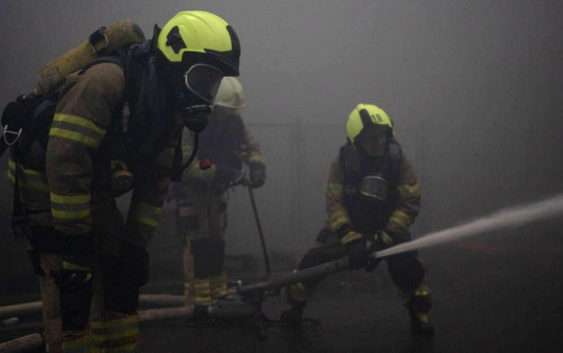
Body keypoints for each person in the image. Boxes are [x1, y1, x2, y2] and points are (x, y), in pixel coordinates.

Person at [6, 10, 240, 352]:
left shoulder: (170, 107)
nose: (206, 92)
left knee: (119, 274)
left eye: (213, 83)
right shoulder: (106, 81)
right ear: (175, 58)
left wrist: (135, 244)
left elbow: (155, 184)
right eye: (203, 77)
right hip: (45, 182)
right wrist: (73, 245)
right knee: (70, 288)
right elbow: (65, 160)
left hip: (91, 182)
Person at [282, 103, 434, 335]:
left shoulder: (397, 161)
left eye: (382, 136)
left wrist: (387, 236)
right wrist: (351, 239)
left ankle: (420, 315)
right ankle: (295, 308)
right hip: (350, 227)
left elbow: (410, 201)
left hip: (389, 228)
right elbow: (335, 204)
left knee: (409, 269)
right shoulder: (343, 163)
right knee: (312, 263)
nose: (379, 142)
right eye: (372, 137)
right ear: (357, 140)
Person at [173, 76, 266, 311]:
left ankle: (216, 291)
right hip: (191, 191)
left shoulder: (234, 122)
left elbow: (251, 147)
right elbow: (186, 162)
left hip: (216, 191)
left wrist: (257, 165)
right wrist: (218, 171)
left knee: (216, 240)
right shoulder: (193, 123)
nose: (228, 115)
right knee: (197, 243)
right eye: (225, 110)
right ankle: (198, 299)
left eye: (231, 111)